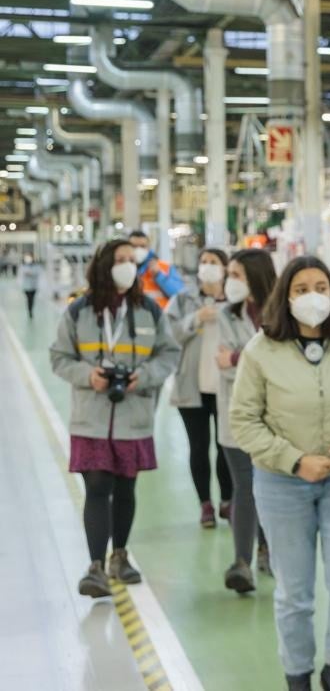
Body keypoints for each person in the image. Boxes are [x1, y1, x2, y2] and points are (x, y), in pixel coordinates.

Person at [230, 255, 330, 691]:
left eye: (321, 287)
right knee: (294, 594)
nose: (312, 297)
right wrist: (294, 460)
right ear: (285, 296)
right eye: (301, 289)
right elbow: (243, 422)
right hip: (283, 485)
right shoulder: (260, 351)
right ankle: (297, 674)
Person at [49, 239, 180, 597]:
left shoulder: (149, 310)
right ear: (104, 265)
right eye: (119, 260)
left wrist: (146, 376)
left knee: (125, 488)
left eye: (131, 260)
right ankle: (95, 566)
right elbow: (59, 357)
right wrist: (86, 376)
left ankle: (119, 556)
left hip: (133, 414)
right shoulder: (79, 311)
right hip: (91, 416)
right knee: (96, 487)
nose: (127, 266)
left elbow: (169, 354)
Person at [215, 248, 278, 593]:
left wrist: (238, 357)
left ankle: (267, 545)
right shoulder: (227, 314)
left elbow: (284, 360)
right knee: (244, 486)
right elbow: (224, 370)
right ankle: (242, 562)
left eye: (236, 274)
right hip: (237, 414)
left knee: (272, 483)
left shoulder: (281, 312)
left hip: (278, 418)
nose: (230, 281)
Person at [165, 248, 233, 528]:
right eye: (204, 262)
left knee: (226, 446)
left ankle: (228, 502)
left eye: (214, 262)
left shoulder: (235, 300)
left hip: (227, 387)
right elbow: (168, 335)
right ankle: (205, 504)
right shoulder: (183, 300)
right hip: (192, 386)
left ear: (226, 268)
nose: (207, 267)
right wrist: (195, 319)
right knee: (198, 447)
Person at [128, 229, 185, 308]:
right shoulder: (122, 269)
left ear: (148, 248)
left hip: (162, 317)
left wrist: (159, 275)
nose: (138, 250)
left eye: (142, 246)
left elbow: (180, 297)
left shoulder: (165, 267)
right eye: (134, 246)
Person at [18, 252, 42, 319]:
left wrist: (31, 273)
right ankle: (29, 311)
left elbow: (38, 273)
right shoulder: (23, 265)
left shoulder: (36, 266)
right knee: (28, 299)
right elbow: (20, 275)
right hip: (26, 286)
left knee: (32, 299)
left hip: (34, 286)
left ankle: (31, 309)